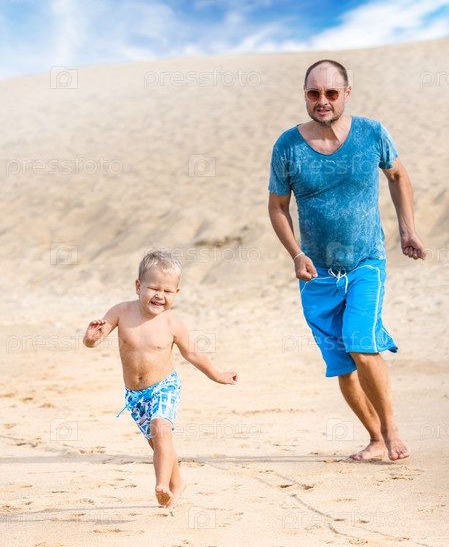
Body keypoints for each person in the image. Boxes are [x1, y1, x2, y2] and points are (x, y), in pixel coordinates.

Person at [268, 59, 425, 461]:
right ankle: (375, 438)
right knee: (342, 363)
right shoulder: (287, 146)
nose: (322, 100)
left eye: (331, 92)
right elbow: (278, 207)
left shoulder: (372, 133)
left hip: (365, 262)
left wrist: (407, 229)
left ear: (346, 94)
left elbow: (398, 176)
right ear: (305, 95)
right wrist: (296, 253)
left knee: (360, 341)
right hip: (317, 273)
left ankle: (391, 431)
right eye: (314, 93)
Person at [83, 249, 238, 508]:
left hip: (165, 386)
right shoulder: (122, 311)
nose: (160, 295)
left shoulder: (172, 324)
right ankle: (177, 482)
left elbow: (193, 353)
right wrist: (90, 338)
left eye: (167, 291)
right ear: (138, 286)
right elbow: (95, 339)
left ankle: (162, 485)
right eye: (153, 288)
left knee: (161, 429)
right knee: (159, 444)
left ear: (176, 293)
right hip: (135, 395)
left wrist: (218, 375)